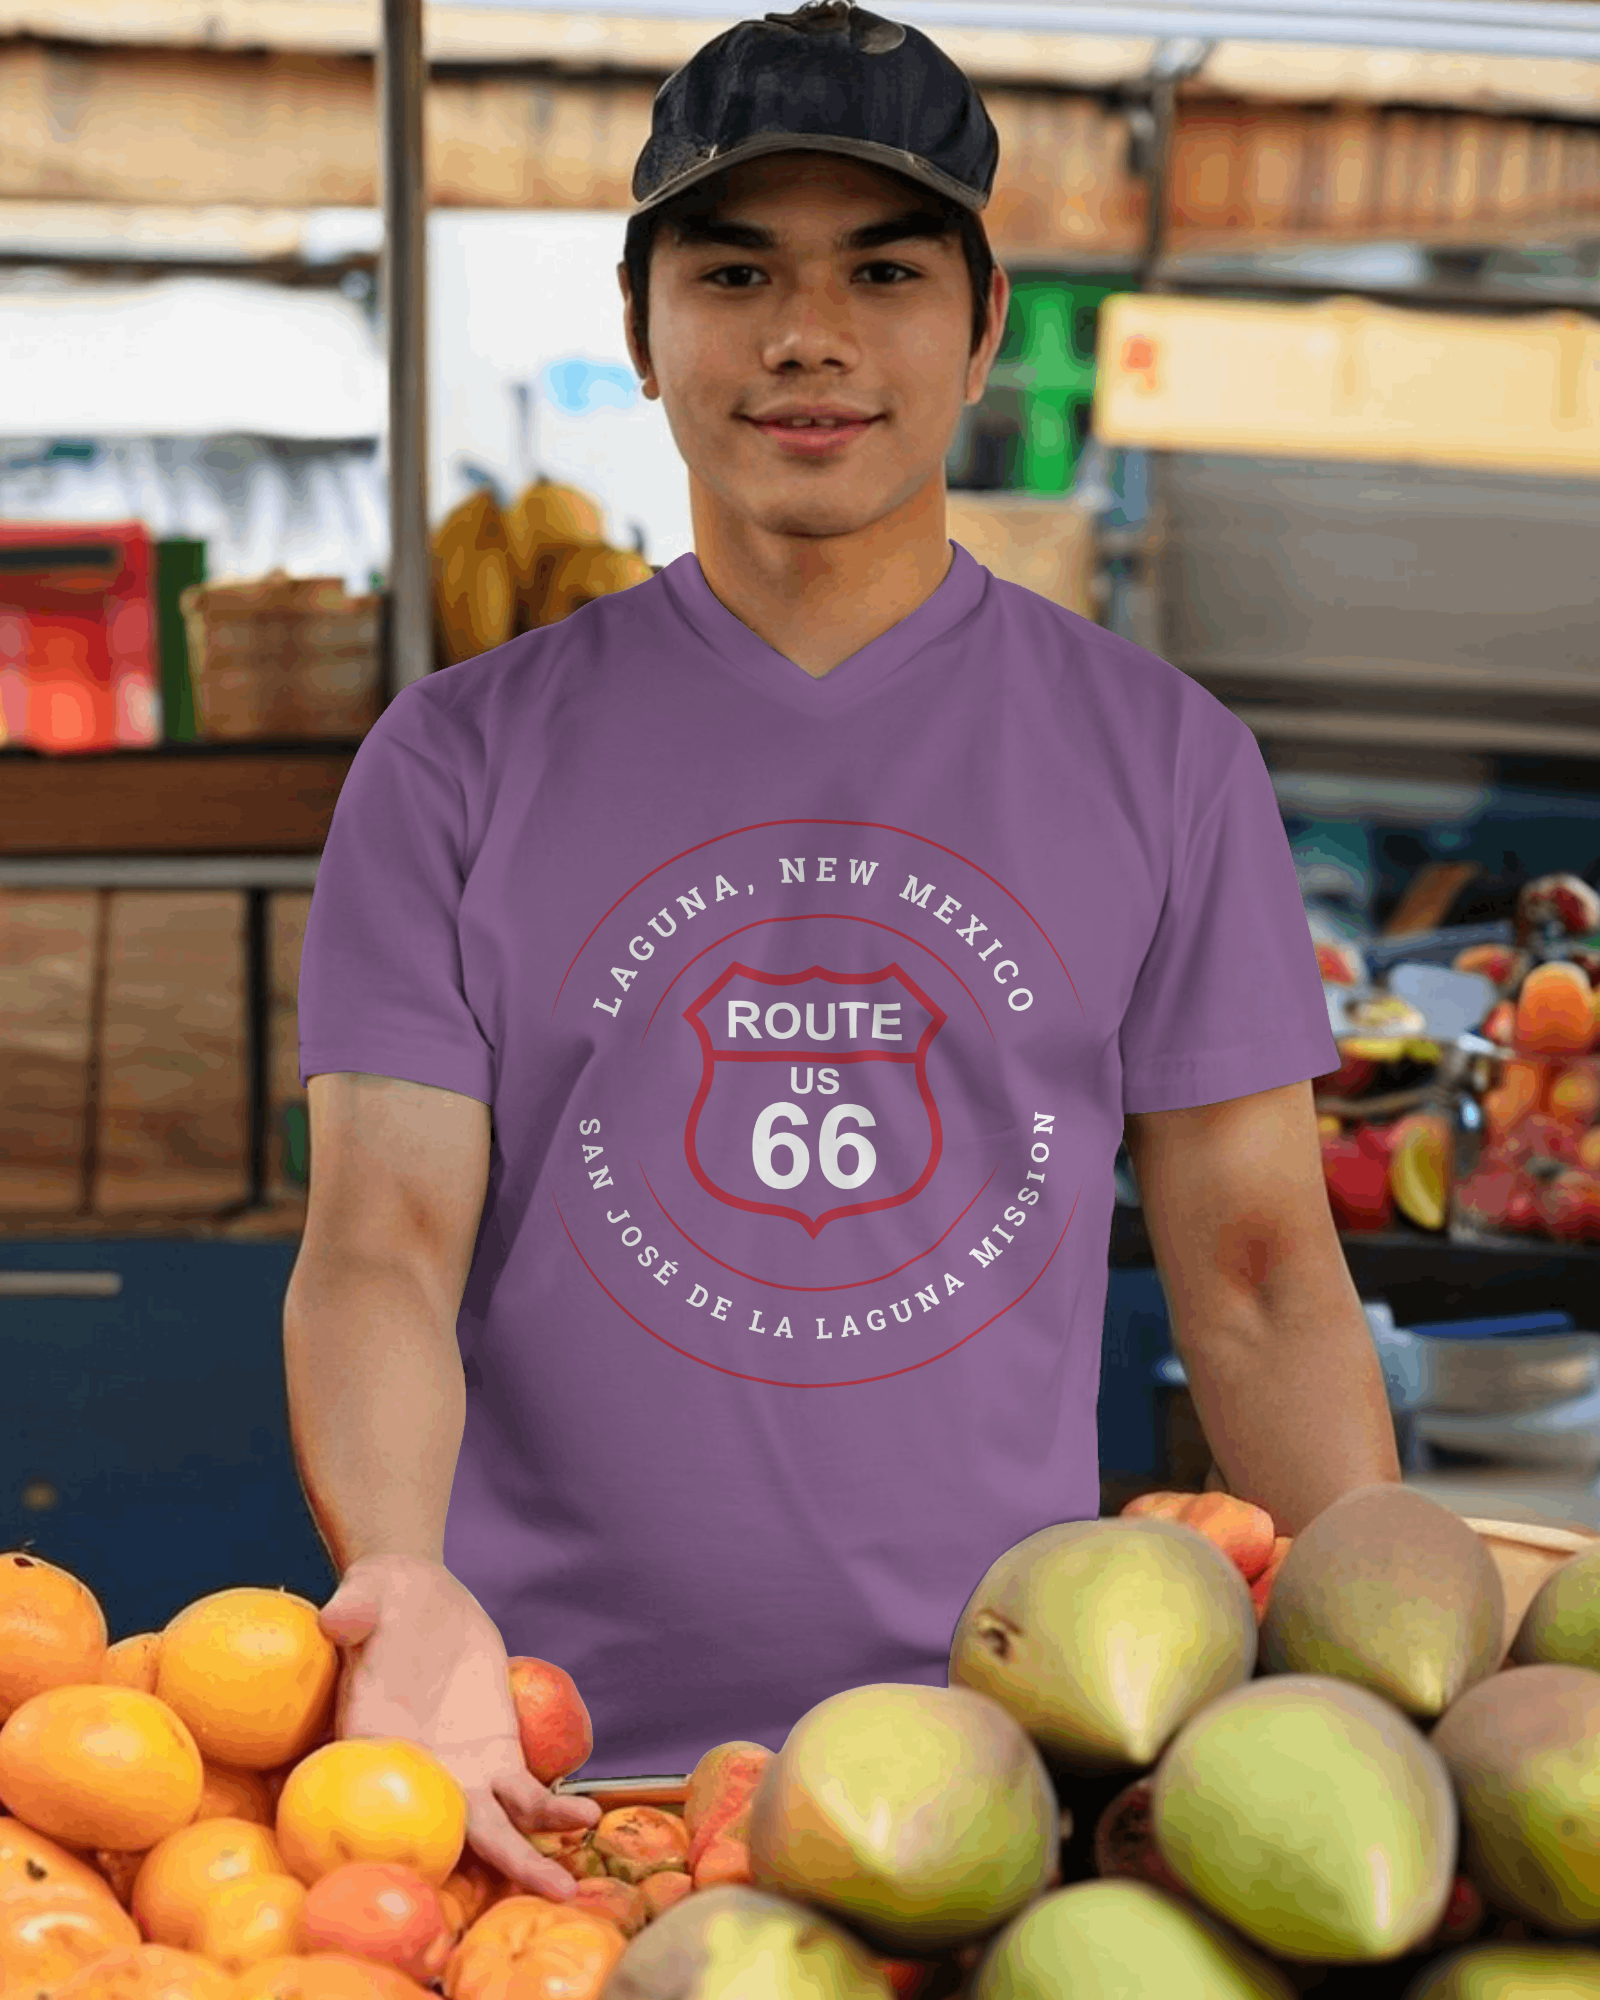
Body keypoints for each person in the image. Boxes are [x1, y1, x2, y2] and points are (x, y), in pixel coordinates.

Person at [285, 0, 1401, 1900]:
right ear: (642, 334)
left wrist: (1400, 1683)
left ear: (979, 326)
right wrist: (404, 1588)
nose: (808, 335)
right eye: (737, 272)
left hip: (1012, 1786)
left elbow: (1264, 1274)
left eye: (882, 269)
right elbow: (380, 1248)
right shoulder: (453, 759)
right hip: (545, 1783)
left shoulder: (1163, 757)